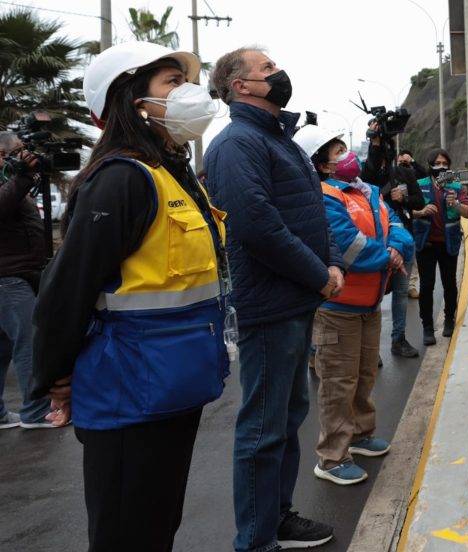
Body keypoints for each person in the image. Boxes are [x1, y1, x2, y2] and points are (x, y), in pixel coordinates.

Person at [31, 41, 228, 551]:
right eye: (170, 83)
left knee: (158, 527)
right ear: (132, 101)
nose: (186, 93)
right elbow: (67, 289)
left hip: (175, 387)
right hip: (127, 395)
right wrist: (56, 376)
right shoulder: (120, 179)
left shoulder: (173, 176)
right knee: (127, 534)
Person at [207, 46, 342, 551]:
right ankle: (256, 540)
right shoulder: (237, 143)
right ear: (240, 86)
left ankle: (277, 518)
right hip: (271, 304)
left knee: (286, 421)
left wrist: (330, 266)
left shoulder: (275, 139)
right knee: (263, 429)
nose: (278, 73)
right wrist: (318, 274)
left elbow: (307, 213)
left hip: (296, 298)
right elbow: (256, 225)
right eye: (266, 69)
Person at [294, 124, 413, 485]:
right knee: (337, 382)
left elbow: (398, 225)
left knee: (364, 374)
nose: (347, 155)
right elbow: (346, 244)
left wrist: (396, 247)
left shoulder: (369, 191)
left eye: (345, 148)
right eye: (336, 152)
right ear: (322, 165)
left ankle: (360, 434)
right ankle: (331, 456)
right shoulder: (324, 196)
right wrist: (389, 257)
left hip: (369, 303)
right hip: (338, 307)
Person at [0, 133, 63, 430]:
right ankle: (36, 411)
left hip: (15, 277)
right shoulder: (12, 183)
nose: (25, 157)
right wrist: (24, 177)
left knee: (3, 349)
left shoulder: (11, 181)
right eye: (19, 151)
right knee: (29, 343)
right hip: (9, 280)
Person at [411, 149, 468, 346]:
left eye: (445, 163)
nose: (441, 166)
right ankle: (427, 328)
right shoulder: (419, 185)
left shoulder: (456, 186)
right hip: (425, 244)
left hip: (449, 244)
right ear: (430, 165)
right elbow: (405, 211)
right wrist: (420, 212)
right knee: (427, 286)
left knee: (449, 285)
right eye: (437, 163)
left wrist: (455, 204)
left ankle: (449, 320)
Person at [382, 150, 425, 358]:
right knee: (373, 295)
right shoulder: (364, 176)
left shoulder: (404, 174)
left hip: (404, 240)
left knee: (400, 293)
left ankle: (398, 339)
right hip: (376, 243)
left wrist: (404, 197)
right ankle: (370, 350)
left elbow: (420, 201)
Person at [395, 149, 427, 299]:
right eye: (400, 162)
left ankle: (412, 285)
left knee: (413, 256)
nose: (402, 165)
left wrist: (412, 162)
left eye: (404, 162)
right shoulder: (393, 177)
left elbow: (425, 174)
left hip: (419, 220)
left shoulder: (416, 174)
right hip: (403, 220)